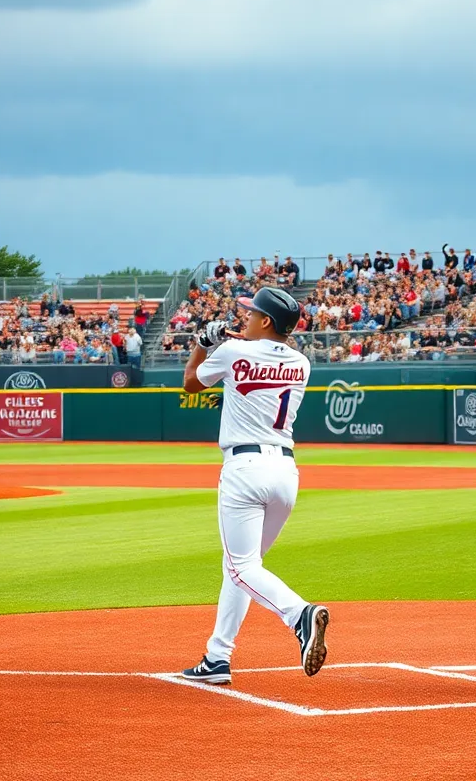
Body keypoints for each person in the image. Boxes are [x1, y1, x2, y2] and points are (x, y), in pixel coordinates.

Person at [178, 287, 329, 685]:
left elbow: (191, 383)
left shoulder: (232, 354)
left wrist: (201, 344)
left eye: (251, 314)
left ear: (265, 321)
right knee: (243, 568)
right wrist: (230, 342)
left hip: (244, 468)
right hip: (285, 473)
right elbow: (261, 352)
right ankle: (217, 657)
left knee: (242, 566)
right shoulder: (301, 361)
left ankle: (300, 614)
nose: (245, 318)